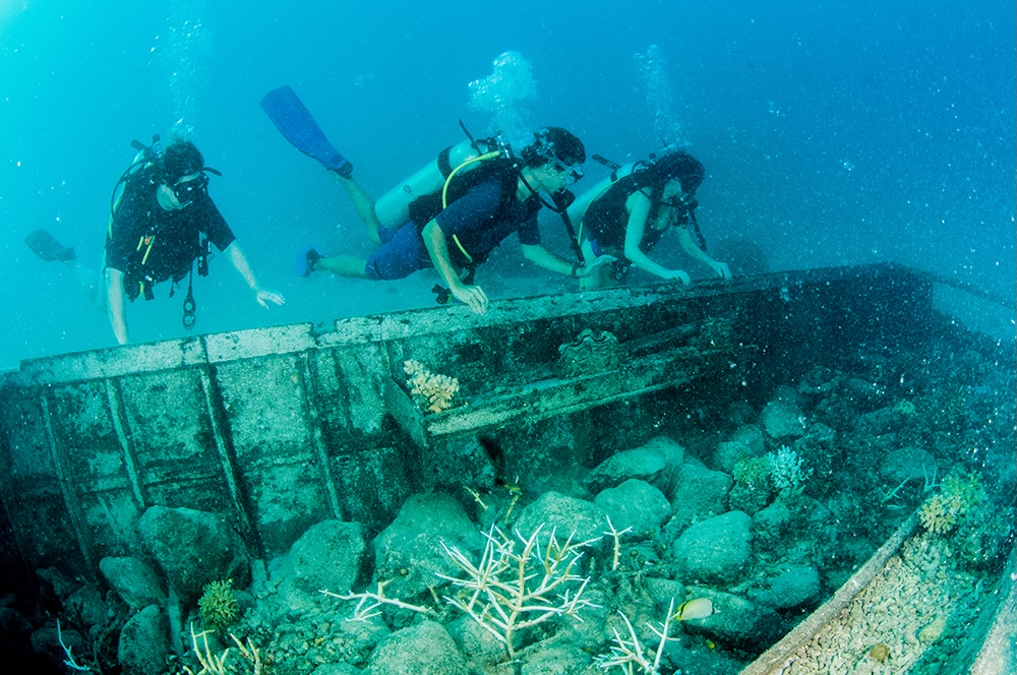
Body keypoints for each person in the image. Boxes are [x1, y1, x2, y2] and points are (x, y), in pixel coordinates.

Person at [297, 127, 609, 313]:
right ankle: (316, 260)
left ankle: (345, 177)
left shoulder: (527, 202)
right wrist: (455, 285)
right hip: (419, 245)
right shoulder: (494, 192)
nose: (572, 180)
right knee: (372, 270)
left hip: (437, 244)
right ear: (548, 166)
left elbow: (532, 250)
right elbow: (434, 230)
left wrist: (577, 269)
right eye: (571, 172)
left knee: (378, 233)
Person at [25, 139, 284, 344]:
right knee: (102, 304)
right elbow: (114, 277)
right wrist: (125, 346)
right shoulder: (134, 207)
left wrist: (255, 286)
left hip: (161, 264)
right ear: (164, 184)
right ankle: (70, 261)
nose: (192, 197)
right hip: (129, 263)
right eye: (185, 190)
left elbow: (228, 242)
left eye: (199, 185)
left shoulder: (196, 199)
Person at [566, 147, 732, 289]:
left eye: (695, 186)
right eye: (689, 183)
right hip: (596, 254)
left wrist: (713, 263)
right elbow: (631, 250)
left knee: (611, 312)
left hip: (619, 263)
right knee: (593, 303)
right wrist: (665, 273)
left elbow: (687, 243)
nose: (691, 191)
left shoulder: (675, 205)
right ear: (673, 178)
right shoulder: (644, 196)